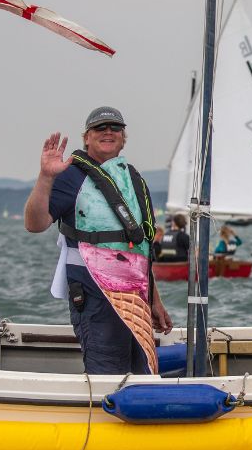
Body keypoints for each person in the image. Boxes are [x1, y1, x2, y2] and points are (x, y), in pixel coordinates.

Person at [24, 106, 172, 375]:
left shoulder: (134, 180)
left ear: (123, 138)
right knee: (107, 372)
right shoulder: (70, 176)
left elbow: (141, 247)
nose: (108, 132)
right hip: (93, 293)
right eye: (99, 128)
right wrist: (46, 177)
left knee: (143, 371)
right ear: (87, 138)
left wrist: (154, 300)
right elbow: (35, 224)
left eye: (115, 127)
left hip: (136, 295)